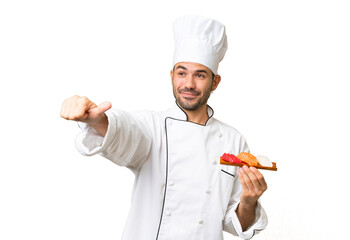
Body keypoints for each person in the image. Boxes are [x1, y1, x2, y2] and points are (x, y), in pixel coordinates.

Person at [60, 15, 268, 240]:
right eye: (182, 73)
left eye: (200, 75)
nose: (188, 83)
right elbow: (127, 134)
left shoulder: (232, 140)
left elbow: (236, 222)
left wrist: (248, 201)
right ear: (172, 76)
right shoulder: (152, 127)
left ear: (215, 82)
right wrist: (98, 120)